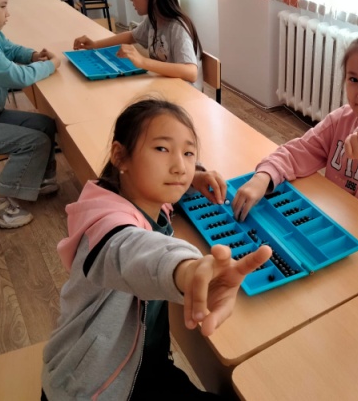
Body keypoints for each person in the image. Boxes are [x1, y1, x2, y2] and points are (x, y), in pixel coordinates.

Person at [41, 98, 272, 400]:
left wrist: (194, 178)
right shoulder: (105, 228)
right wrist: (188, 269)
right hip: (96, 386)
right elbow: (134, 252)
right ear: (120, 157)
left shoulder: (138, 193)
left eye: (188, 153)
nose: (179, 167)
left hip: (143, 364)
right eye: (162, 149)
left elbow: (170, 183)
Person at [232, 31, 358, 228]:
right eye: (354, 79)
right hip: (335, 223)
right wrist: (263, 176)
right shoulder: (341, 119)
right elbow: (298, 152)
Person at [0, 0, 61, 229]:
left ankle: (36, 179)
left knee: (45, 124)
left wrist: (33, 56)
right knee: (34, 142)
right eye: (2, 6)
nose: (7, 13)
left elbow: (10, 49)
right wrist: (51, 64)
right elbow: (16, 77)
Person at [73, 0, 203, 88]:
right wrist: (95, 45)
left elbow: (191, 72)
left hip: (186, 94)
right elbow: (131, 36)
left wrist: (143, 61)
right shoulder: (153, 19)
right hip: (164, 86)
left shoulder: (177, 27)